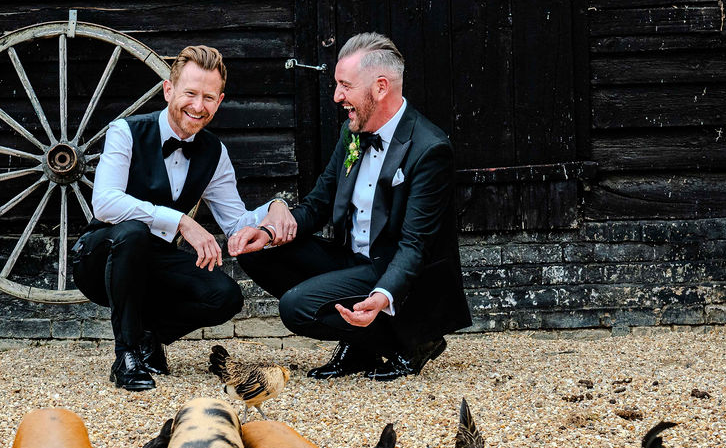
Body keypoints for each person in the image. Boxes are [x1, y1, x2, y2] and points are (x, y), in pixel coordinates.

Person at [228, 33, 471, 381]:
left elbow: (415, 245)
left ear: (380, 87)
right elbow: (317, 205)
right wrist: (267, 231)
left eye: (345, 85)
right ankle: (361, 346)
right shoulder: (352, 133)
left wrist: (383, 294)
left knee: (295, 309)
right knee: (256, 251)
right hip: (351, 258)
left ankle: (409, 342)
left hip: (392, 268)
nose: (337, 96)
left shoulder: (430, 149)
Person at [72, 45, 295, 391]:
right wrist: (181, 221)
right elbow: (104, 203)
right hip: (102, 257)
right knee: (131, 233)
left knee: (225, 295)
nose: (198, 106)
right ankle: (126, 355)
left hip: (154, 260)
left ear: (219, 102)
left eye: (208, 97)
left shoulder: (214, 152)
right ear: (168, 90)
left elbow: (236, 221)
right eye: (190, 93)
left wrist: (276, 207)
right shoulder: (125, 132)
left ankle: (150, 337)